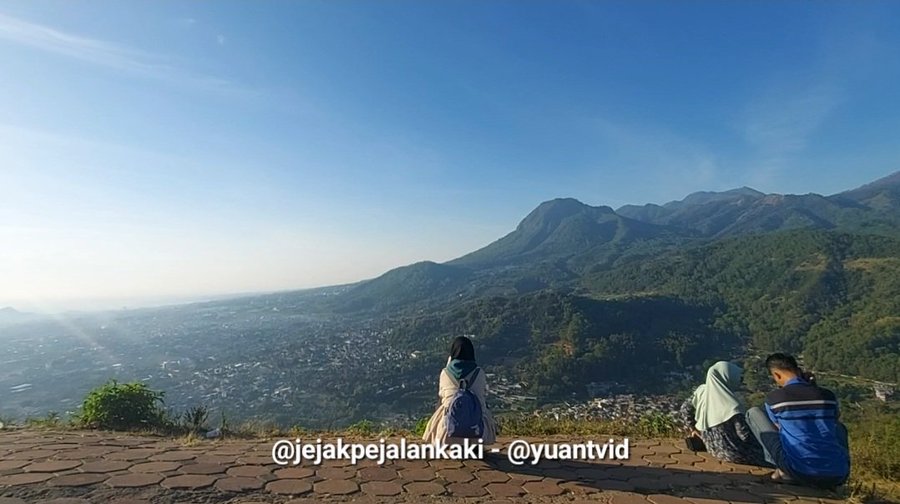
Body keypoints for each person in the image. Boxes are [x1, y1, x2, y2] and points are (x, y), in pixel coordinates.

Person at [745, 353, 850, 488]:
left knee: (753, 413)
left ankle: (782, 470)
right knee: (839, 427)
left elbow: (779, 429)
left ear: (777, 375)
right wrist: (813, 386)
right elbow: (833, 421)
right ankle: (832, 465)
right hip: (838, 475)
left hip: (800, 471)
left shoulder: (775, 398)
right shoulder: (828, 395)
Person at [678, 361, 769, 466]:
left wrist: (693, 428)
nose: (740, 381)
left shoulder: (702, 392)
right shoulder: (732, 406)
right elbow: (745, 436)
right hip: (735, 453)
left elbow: (685, 408)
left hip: (714, 450)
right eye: (738, 378)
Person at [422, 336, 498, 445]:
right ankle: (475, 443)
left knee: (442, 405)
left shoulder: (445, 373)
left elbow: (442, 396)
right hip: (477, 430)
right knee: (483, 408)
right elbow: (482, 395)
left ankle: (445, 441)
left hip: (448, 431)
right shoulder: (479, 373)